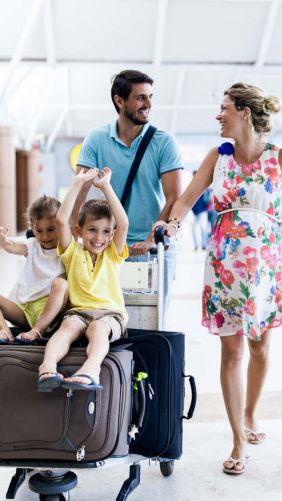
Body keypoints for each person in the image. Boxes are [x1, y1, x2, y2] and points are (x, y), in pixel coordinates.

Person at [156, 83, 282, 476]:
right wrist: (172, 222)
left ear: (244, 112)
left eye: (224, 108)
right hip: (226, 264)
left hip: (266, 267)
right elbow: (188, 197)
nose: (218, 115)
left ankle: (250, 414)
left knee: (260, 348)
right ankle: (237, 439)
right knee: (231, 353)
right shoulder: (218, 156)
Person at [75, 70, 183, 316]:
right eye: (141, 98)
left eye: (150, 97)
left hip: (153, 250)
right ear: (119, 101)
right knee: (105, 319)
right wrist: (73, 233)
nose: (149, 104)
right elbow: (79, 189)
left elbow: (174, 196)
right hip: (107, 248)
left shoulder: (164, 142)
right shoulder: (97, 138)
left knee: (151, 320)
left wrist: (150, 238)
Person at [36, 167, 130, 391]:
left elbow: (123, 223)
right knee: (66, 328)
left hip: (109, 315)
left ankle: (91, 369)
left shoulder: (113, 254)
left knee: (98, 329)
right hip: (77, 312)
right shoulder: (72, 252)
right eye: (92, 230)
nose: (99, 237)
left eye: (106, 231)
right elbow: (61, 221)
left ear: (112, 234)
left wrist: (105, 186)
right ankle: (47, 368)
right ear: (78, 230)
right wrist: (78, 183)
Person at [0, 195, 68, 343]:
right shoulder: (32, 245)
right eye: (39, 231)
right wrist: (3, 241)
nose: (45, 236)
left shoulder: (65, 246)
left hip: (49, 313)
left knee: (61, 284)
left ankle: (38, 331)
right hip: (23, 311)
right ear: (32, 227)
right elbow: (13, 247)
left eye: (51, 229)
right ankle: (4, 331)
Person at [191, 172, 212, 251]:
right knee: (193, 228)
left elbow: (207, 198)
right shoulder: (192, 186)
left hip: (203, 211)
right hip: (196, 212)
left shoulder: (203, 185)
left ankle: (204, 245)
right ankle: (196, 245)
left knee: (203, 228)